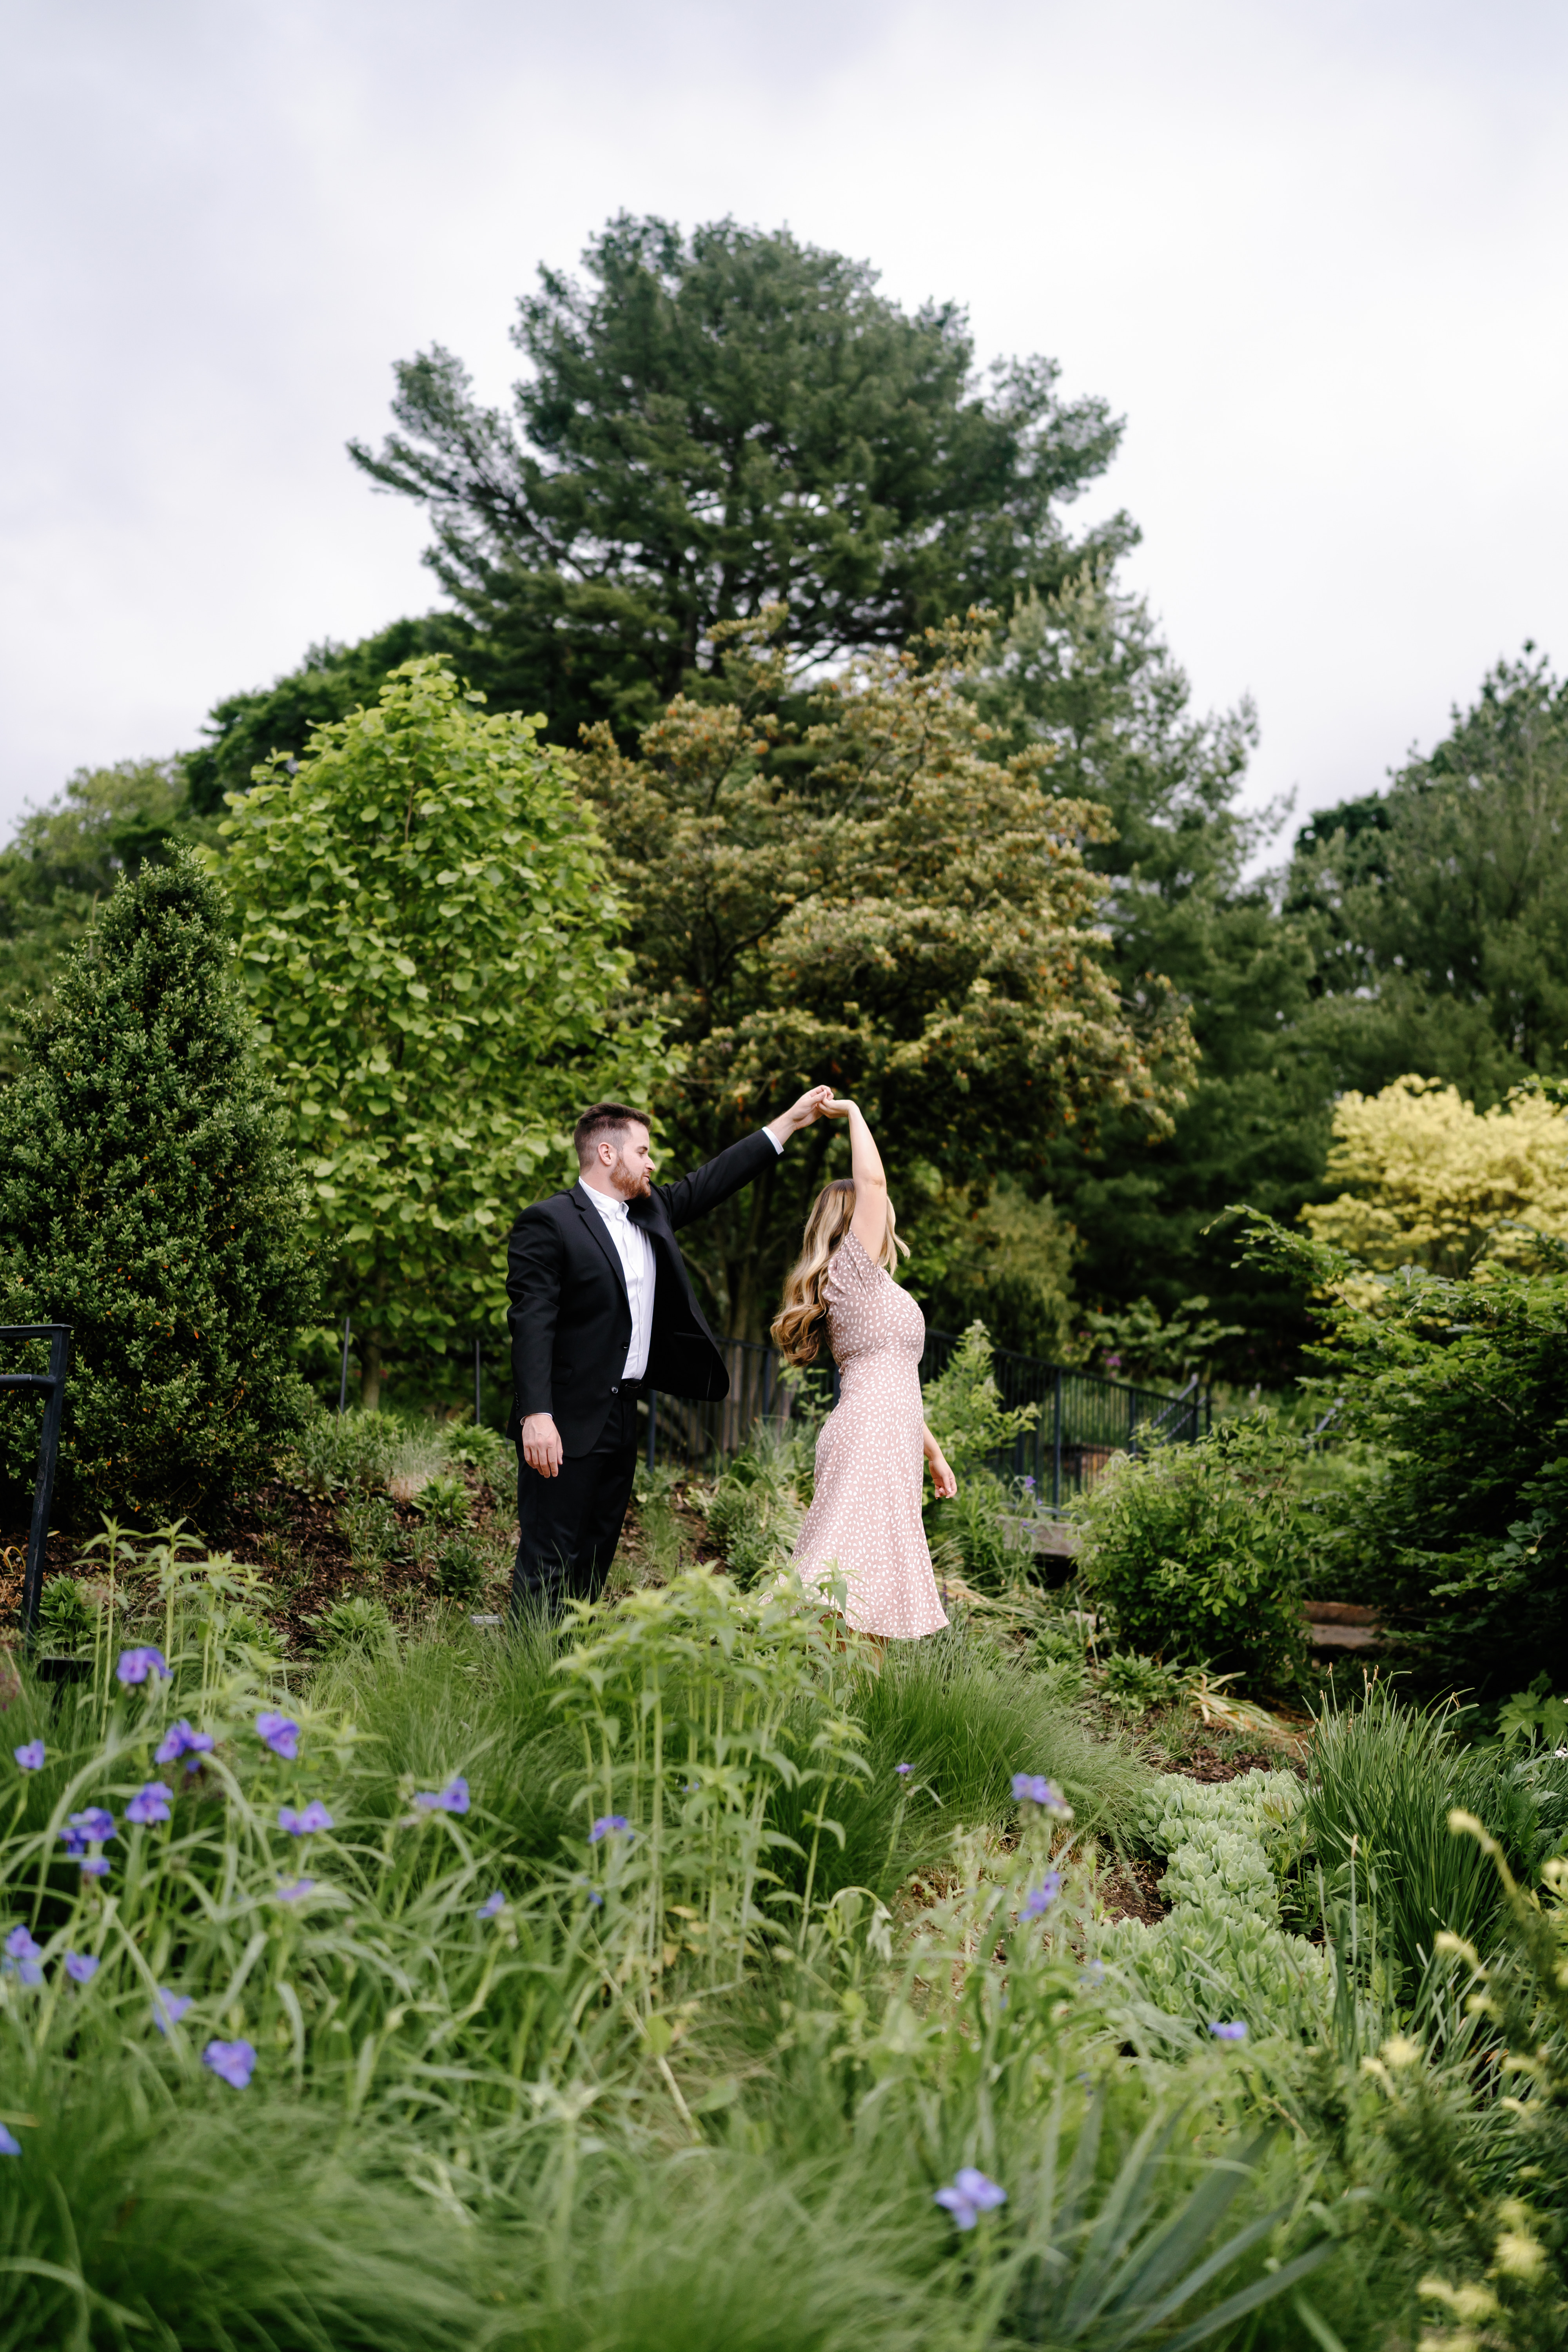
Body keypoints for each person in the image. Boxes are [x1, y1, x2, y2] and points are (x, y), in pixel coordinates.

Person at [506, 1089, 833, 1615]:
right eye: (643, 1151)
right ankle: (522, 1677)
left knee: (594, 1557)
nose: (652, 1162)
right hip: (563, 1420)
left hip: (622, 1416)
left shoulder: (650, 1211)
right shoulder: (548, 1222)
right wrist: (536, 1414)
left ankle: (566, 1674)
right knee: (548, 1558)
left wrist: (790, 1123)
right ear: (607, 1154)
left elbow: (715, 1179)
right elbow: (531, 1324)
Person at [771, 1097, 955, 1640]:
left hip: (890, 1434)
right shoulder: (851, 1274)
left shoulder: (870, 1286)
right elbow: (872, 1186)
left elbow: (895, 1378)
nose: (885, 1210)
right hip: (870, 1435)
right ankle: (824, 1702)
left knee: (868, 1588)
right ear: (853, 1226)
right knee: (844, 1586)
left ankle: (852, 1712)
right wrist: (852, 1112)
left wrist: (935, 1453)